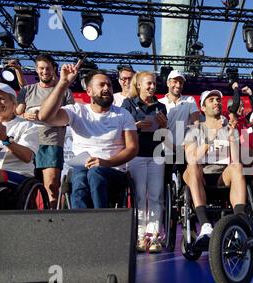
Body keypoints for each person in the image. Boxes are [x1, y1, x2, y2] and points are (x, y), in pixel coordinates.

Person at [38, 63, 138, 210]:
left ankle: (99, 221)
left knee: (95, 173)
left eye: (109, 85)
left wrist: (106, 162)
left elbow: (132, 148)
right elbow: (45, 116)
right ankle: (82, 226)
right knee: (79, 179)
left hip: (114, 172)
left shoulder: (123, 114)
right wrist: (63, 83)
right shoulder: (77, 111)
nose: (107, 88)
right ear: (89, 91)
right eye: (102, 85)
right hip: (82, 169)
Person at [183, 89, 247, 243]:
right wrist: (210, 139)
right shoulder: (194, 130)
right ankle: (205, 224)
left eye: (218, 99)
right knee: (193, 165)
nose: (216, 102)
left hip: (221, 176)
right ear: (203, 108)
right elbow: (191, 157)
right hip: (200, 176)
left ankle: (239, 223)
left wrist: (232, 138)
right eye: (211, 100)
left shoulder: (229, 129)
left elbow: (236, 160)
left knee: (237, 166)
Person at [16, 54, 75, 208]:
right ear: (36, 70)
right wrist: (24, 115)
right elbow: (15, 113)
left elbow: (71, 116)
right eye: (41, 68)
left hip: (52, 142)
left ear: (54, 69)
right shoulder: (27, 90)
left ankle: (52, 220)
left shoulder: (65, 91)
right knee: (27, 186)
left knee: (52, 187)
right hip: (28, 143)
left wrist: (51, 114)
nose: (45, 71)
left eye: (48, 68)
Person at [121, 71, 168, 254]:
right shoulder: (128, 103)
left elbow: (165, 135)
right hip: (136, 154)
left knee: (156, 195)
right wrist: (136, 126)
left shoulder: (161, 106)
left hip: (157, 154)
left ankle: (154, 235)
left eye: (154, 83)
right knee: (140, 196)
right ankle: (140, 235)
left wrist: (164, 126)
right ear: (138, 85)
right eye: (148, 83)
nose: (152, 86)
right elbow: (121, 129)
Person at [0, 82, 38, 208]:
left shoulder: (27, 126)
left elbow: (27, 156)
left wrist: (6, 139)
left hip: (16, 174)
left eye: (1, 98)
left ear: (13, 103)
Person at [158, 69, 200, 179]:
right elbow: (159, 130)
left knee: (183, 182)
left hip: (183, 149)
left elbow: (196, 123)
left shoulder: (189, 100)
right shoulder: (159, 103)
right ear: (168, 83)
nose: (178, 85)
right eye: (175, 81)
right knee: (164, 183)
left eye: (181, 82)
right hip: (164, 149)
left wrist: (189, 143)